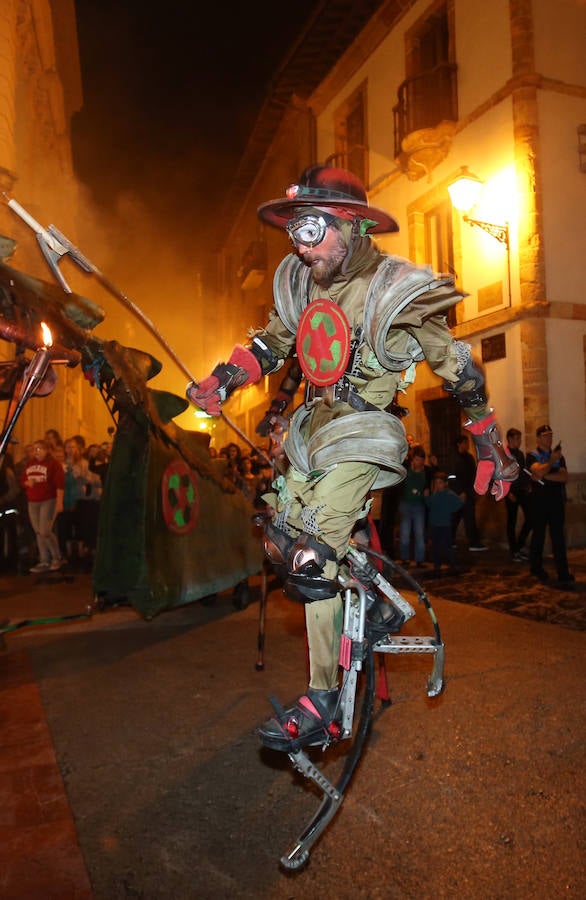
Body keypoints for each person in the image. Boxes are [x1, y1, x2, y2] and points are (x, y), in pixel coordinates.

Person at [186, 164, 517, 752]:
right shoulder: (302, 281)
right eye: (293, 232)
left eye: (311, 229)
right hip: (313, 431)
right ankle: (376, 599)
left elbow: (457, 365)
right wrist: (224, 379)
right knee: (287, 544)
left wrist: (489, 443)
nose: (300, 246)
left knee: (313, 559)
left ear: (351, 224)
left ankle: (327, 703)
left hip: (364, 432)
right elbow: (271, 343)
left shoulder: (395, 288)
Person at [526, 425, 574, 586]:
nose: (549, 439)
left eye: (551, 435)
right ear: (538, 438)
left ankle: (563, 572)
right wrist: (551, 462)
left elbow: (564, 477)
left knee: (558, 537)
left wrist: (544, 476)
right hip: (539, 502)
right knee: (538, 535)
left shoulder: (559, 456)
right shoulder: (532, 456)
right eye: (546, 436)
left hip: (556, 502)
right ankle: (536, 567)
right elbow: (536, 471)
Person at [20, 439, 65, 573]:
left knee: (45, 530)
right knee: (39, 532)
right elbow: (22, 480)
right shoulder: (29, 464)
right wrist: (28, 483)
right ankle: (44, 560)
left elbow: (59, 484)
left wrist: (59, 502)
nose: (36, 452)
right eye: (34, 449)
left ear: (47, 450)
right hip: (33, 501)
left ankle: (57, 557)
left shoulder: (53, 464)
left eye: (39, 449)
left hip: (47, 500)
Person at [450, 434, 487, 551]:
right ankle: (450, 540)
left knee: (470, 518)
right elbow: (451, 477)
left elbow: (474, 474)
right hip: (458, 495)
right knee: (455, 518)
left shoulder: (470, 458)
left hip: (469, 493)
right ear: (459, 444)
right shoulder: (454, 459)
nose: (467, 445)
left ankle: (473, 542)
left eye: (468, 443)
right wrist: (459, 491)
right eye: (465, 443)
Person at [424, 471, 465, 575]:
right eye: (436, 483)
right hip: (434, 524)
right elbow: (430, 505)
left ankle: (452, 564)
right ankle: (437, 566)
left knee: (447, 546)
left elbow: (458, 503)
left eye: (440, 483)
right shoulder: (435, 494)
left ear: (446, 483)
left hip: (445, 525)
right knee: (436, 546)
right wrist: (426, 497)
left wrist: (456, 505)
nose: (438, 485)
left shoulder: (449, 494)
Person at [398, 444, 429, 567]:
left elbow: (433, 481)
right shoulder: (405, 469)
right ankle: (405, 558)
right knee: (405, 534)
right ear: (412, 459)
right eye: (416, 459)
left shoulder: (427, 471)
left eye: (421, 460)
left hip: (419, 506)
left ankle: (419, 560)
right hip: (405, 504)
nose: (419, 462)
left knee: (419, 534)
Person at [505, 427, 533, 561]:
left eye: (520, 438)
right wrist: (508, 492)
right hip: (510, 491)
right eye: (517, 438)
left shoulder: (520, 454)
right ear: (510, 439)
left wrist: (528, 485)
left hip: (521, 490)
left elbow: (523, 471)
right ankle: (513, 551)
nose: (519, 441)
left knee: (531, 517)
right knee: (512, 521)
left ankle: (519, 545)